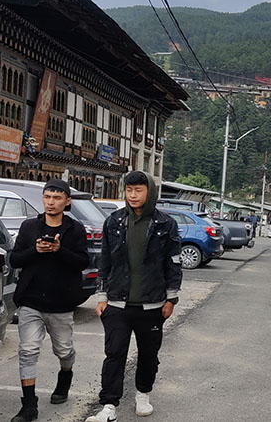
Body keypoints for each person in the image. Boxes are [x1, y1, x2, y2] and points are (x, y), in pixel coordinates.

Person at [86, 171, 182, 422]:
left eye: (138, 190)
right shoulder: (114, 221)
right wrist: (102, 297)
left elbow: (173, 263)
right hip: (117, 302)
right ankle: (108, 405)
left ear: (150, 192)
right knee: (114, 354)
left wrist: (171, 299)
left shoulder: (165, 224)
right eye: (129, 190)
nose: (133, 195)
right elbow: (104, 260)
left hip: (152, 304)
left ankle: (143, 394)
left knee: (148, 354)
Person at [8, 179, 89, 422]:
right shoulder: (29, 226)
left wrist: (59, 251)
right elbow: (15, 259)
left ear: (67, 201)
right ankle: (29, 405)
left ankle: (65, 378)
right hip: (31, 300)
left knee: (63, 350)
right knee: (28, 350)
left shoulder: (75, 229)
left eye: (56, 198)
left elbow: (82, 262)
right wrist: (35, 250)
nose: (51, 202)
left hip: (61, 302)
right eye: (47, 197)